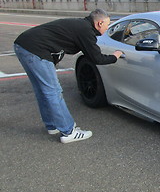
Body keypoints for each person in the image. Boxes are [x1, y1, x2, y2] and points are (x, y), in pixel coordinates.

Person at [13, 9, 124, 144]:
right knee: (53, 91)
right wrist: (115, 56)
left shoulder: (81, 25)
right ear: (100, 23)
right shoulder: (86, 31)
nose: (107, 28)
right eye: (107, 25)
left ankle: (52, 125)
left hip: (23, 45)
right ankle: (69, 131)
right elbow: (97, 58)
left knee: (43, 90)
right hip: (35, 50)